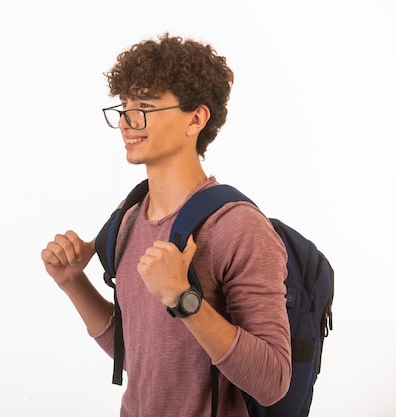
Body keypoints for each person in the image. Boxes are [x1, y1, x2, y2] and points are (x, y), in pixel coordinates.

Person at [40, 33, 291, 417]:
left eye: (145, 105)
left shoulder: (238, 227)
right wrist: (73, 282)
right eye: (123, 106)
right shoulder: (126, 221)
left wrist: (183, 298)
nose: (127, 120)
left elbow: (272, 381)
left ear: (196, 118)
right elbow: (142, 359)